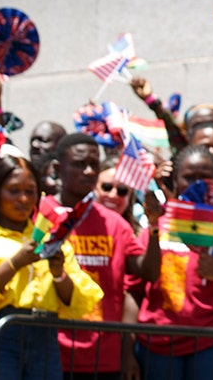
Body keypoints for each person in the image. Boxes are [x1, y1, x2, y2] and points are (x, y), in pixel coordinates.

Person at [0, 153, 102, 380]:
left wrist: (59, 273)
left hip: (43, 340)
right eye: (13, 190)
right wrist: (15, 263)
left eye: (29, 192)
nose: (23, 199)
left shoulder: (51, 240)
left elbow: (80, 302)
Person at [129, 144, 213, 380]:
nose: (196, 184)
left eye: (205, 177)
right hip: (159, 346)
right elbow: (134, 288)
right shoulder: (157, 226)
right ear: (176, 181)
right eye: (189, 178)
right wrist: (126, 350)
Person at [47, 133, 159, 379]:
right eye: (78, 164)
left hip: (103, 356)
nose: (88, 171)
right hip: (50, 352)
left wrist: (153, 227)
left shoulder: (115, 224)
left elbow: (148, 271)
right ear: (58, 168)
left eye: (93, 164)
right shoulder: (40, 215)